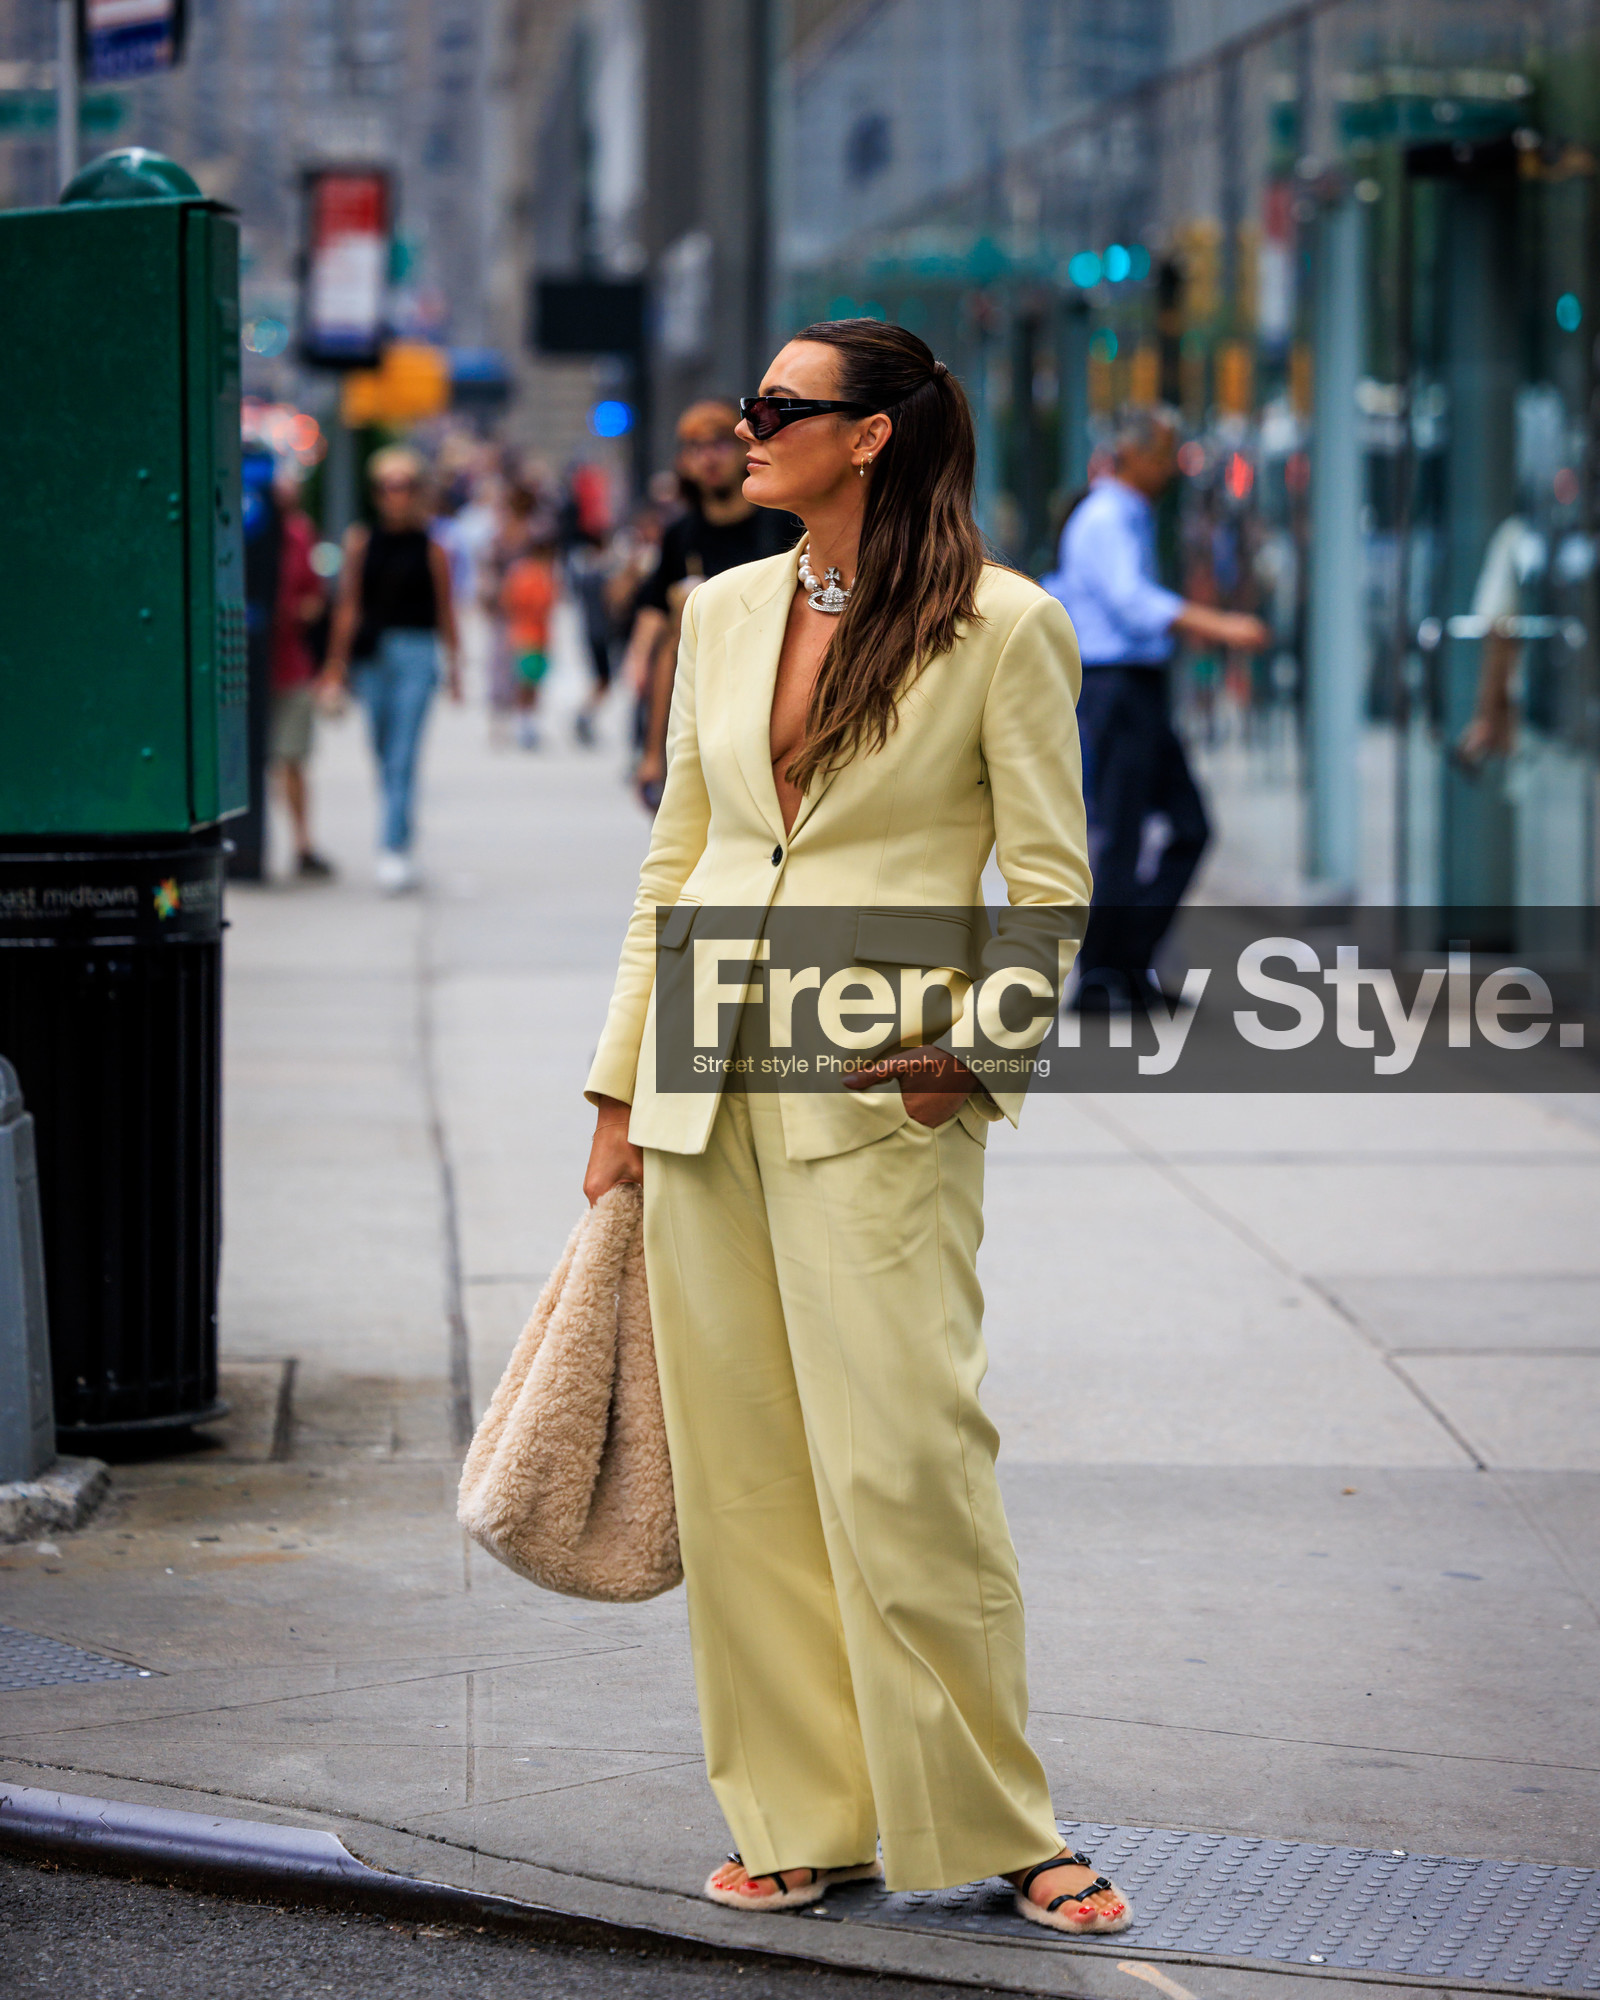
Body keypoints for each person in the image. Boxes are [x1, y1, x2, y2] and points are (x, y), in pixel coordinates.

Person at [581, 319, 1132, 1935]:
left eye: (779, 409)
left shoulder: (1002, 629)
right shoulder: (725, 607)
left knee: (906, 1462)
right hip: (701, 1086)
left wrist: (980, 1047)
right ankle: (802, 1814)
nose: (745, 433)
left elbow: (1051, 885)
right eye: (751, 409)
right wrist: (618, 1095)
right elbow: (675, 864)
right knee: (747, 1479)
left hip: (880, 1094)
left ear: (873, 436)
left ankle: (1003, 1817)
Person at [1042, 407, 1268, 1007]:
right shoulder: (1109, 517)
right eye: (1165, 454)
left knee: (1185, 825)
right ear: (1133, 455)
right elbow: (1129, 600)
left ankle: (1125, 964)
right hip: (1116, 684)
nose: (1172, 468)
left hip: (1134, 684)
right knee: (1121, 829)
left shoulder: (1127, 515)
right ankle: (1103, 977)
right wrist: (1218, 624)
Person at [625, 399, 797, 806]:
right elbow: (655, 617)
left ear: (743, 449)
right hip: (697, 691)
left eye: (719, 444)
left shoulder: (782, 522)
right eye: (695, 447)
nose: (708, 458)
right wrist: (637, 663)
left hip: (768, 686)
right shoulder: (680, 535)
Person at [322, 446, 461, 893]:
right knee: (383, 752)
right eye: (386, 487)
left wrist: (456, 667)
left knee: (402, 755)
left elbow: (446, 609)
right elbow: (349, 605)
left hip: (418, 653)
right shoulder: (362, 542)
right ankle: (400, 827)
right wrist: (335, 665)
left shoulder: (433, 548)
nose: (395, 496)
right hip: (371, 659)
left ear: (418, 492)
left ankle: (393, 847)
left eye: (404, 486)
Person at [266, 465, 333, 878]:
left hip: (289, 664)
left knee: (292, 759)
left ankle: (302, 842)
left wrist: (294, 615)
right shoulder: (242, 533)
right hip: (252, 668)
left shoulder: (298, 534)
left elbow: (314, 596)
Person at [500, 531, 560, 751]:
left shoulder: (526, 573)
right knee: (528, 683)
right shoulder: (534, 575)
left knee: (530, 682)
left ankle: (527, 723)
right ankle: (524, 725)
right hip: (529, 635)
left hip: (530, 635)